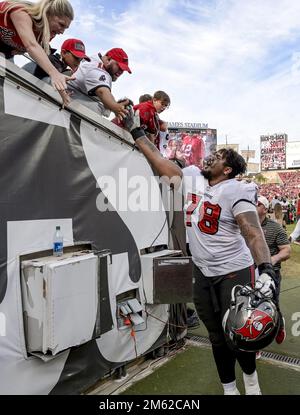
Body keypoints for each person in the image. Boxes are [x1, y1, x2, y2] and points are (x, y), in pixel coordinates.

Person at [127, 119, 279, 395]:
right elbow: (161, 162)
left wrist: (266, 267)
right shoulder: (193, 176)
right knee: (216, 337)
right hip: (202, 271)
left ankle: (252, 383)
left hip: (234, 269)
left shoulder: (236, 188)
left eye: (218, 157)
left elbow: (252, 231)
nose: (210, 157)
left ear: (228, 169)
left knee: (239, 333)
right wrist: (137, 133)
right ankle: (229, 390)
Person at [0, 0, 74, 106]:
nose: (62, 32)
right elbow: (31, 46)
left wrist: (62, 92)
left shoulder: (46, 34)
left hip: (5, 52)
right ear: (48, 13)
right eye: (61, 24)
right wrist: (55, 74)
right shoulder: (22, 12)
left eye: (65, 28)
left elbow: (44, 61)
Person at [256, 195, 291, 344]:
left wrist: (272, 260)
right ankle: (255, 341)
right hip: (249, 271)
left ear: (264, 209)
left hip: (270, 273)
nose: (253, 206)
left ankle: (279, 326)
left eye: (257, 204)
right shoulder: (242, 225)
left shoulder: (275, 227)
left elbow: (286, 250)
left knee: (271, 304)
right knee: (252, 306)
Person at [68, 47, 131, 120]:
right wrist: (115, 106)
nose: (121, 71)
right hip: (65, 110)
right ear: (108, 59)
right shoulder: (97, 68)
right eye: (119, 66)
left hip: (70, 106)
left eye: (123, 70)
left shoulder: (95, 62)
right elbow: (102, 91)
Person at [22, 38, 90, 79]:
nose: (78, 62)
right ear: (63, 53)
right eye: (76, 57)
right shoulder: (52, 61)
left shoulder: (61, 66)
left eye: (81, 59)